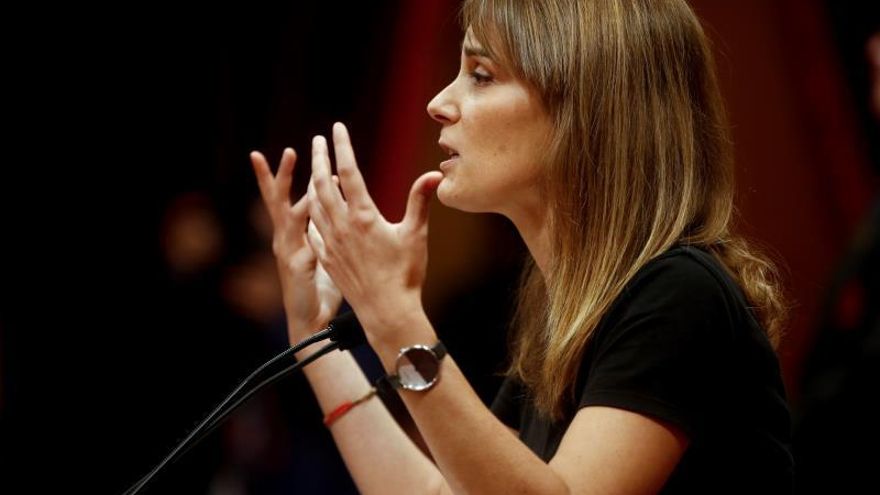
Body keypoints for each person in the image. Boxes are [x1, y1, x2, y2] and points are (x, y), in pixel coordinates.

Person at [250, 0, 794, 493]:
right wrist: (312, 340)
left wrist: (394, 318)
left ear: (585, 110)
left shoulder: (678, 293)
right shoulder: (564, 310)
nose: (439, 103)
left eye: (481, 75)